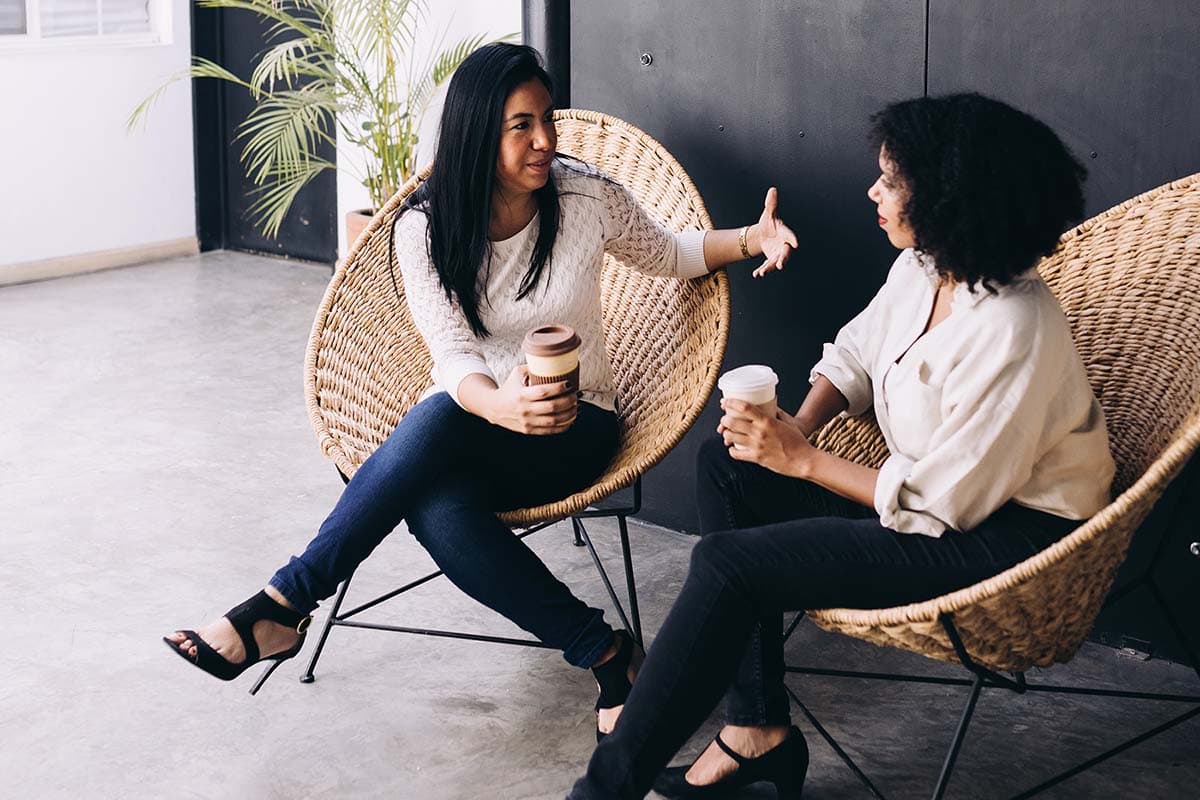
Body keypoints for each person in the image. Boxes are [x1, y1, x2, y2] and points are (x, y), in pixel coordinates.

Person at [162, 43, 799, 741]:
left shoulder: (584, 195)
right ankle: (607, 653)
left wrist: (750, 237)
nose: (545, 140)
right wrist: (499, 404)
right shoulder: (423, 228)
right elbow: (453, 354)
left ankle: (283, 602)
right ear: (475, 131)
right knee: (439, 506)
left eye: (546, 119)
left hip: (575, 422)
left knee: (438, 427)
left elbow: (669, 253)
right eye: (520, 125)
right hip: (481, 419)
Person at [568, 92, 1115, 798]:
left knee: (731, 568)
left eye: (890, 180)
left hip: (1003, 538)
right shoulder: (924, 268)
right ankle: (757, 730)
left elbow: (941, 504)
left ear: (949, 195)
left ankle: (601, 791)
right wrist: (799, 425)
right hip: (930, 501)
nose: (873, 191)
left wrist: (799, 460)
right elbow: (855, 353)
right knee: (727, 465)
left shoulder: (1013, 329)